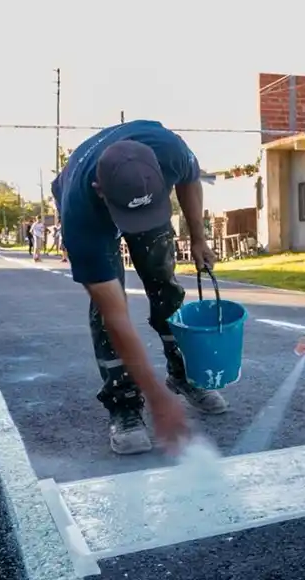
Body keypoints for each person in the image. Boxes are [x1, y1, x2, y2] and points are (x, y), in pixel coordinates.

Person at [52, 120, 224, 455]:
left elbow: (190, 179)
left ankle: (183, 375)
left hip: (138, 188)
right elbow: (116, 317)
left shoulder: (169, 151)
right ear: (100, 189)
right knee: (106, 315)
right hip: (92, 212)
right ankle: (124, 403)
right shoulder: (80, 213)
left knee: (166, 288)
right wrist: (157, 398)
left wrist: (199, 238)